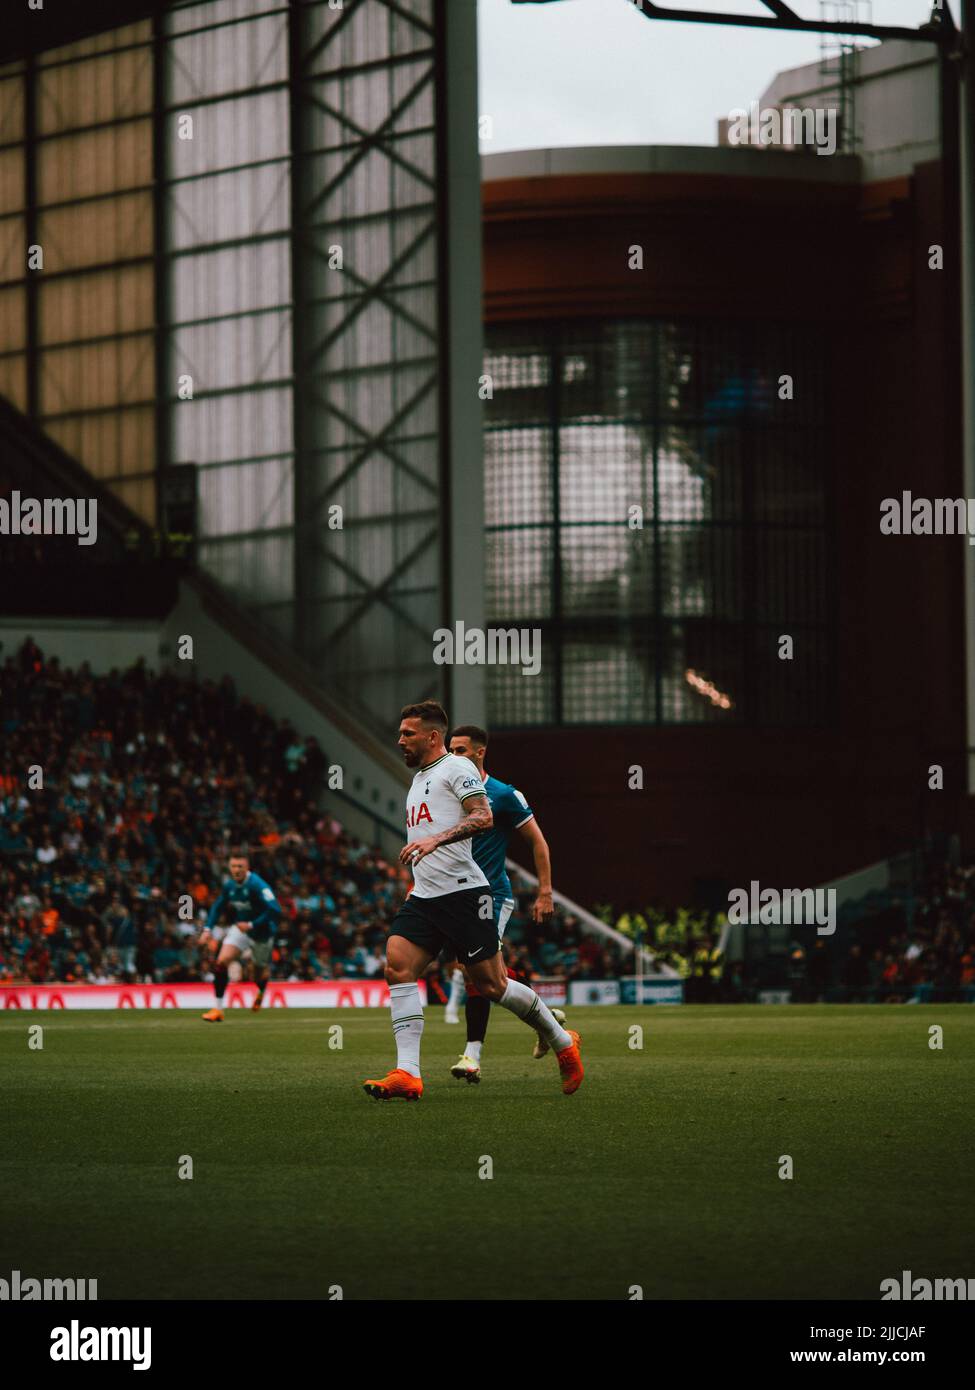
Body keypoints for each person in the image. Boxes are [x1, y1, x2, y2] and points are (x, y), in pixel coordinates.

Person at [362, 701, 583, 1101]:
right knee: (397, 966)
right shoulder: (419, 779)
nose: (399, 741)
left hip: (467, 895)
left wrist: (434, 840)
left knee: (492, 984)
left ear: (432, 736)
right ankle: (407, 1073)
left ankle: (563, 1042)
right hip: (427, 896)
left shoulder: (457, 768)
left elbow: (483, 818)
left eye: (407, 734)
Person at [443, 724, 565, 1083]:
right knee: (489, 975)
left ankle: (472, 1056)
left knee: (474, 973)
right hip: (453, 895)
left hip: (491, 895)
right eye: (451, 750)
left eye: (461, 750)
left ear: (480, 753)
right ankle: (546, 1018)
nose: (454, 757)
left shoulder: (504, 795)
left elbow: (538, 843)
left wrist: (545, 891)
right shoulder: (449, 793)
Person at [198, 849, 282, 1020]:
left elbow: (275, 909)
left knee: (257, 973)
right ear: (229, 867)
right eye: (233, 866)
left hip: (261, 932)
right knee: (221, 962)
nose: (236, 870)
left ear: (247, 867)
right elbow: (218, 907)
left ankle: (261, 988)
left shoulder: (257, 885)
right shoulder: (229, 886)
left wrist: (252, 924)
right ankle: (218, 1010)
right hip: (240, 929)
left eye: (240, 866)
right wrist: (208, 929)